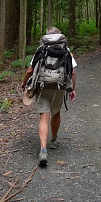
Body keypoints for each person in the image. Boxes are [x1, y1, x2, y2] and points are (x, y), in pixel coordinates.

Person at [21, 26, 76, 167]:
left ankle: (43, 150)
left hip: (42, 86)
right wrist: (72, 89)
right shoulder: (66, 50)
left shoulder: (42, 49)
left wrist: (24, 83)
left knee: (43, 117)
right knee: (56, 112)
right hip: (59, 87)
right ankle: (54, 139)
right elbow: (72, 72)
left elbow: (30, 70)